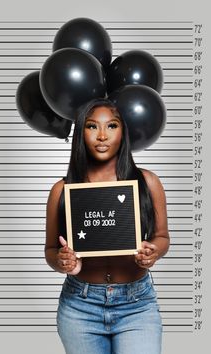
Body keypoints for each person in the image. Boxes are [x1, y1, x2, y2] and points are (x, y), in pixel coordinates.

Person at [45, 98, 169, 354]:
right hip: (80, 305)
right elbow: (49, 249)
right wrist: (62, 261)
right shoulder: (62, 190)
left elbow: (162, 236)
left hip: (136, 304)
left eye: (111, 126)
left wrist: (153, 251)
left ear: (124, 130)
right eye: (92, 127)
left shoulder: (148, 182)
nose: (102, 136)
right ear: (81, 132)